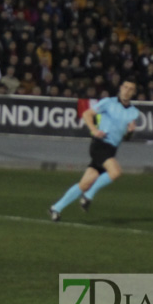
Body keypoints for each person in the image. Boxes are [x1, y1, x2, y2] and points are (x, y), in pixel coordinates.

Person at [49, 79, 140, 222]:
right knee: (116, 172)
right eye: (125, 87)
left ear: (134, 93)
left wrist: (130, 132)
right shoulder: (108, 102)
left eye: (131, 89)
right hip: (100, 144)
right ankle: (88, 196)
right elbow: (87, 114)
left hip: (112, 149)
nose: (127, 91)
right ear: (120, 88)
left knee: (85, 183)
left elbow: (126, 136)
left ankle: (56, 208)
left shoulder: (134, 113)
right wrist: (94, 130)